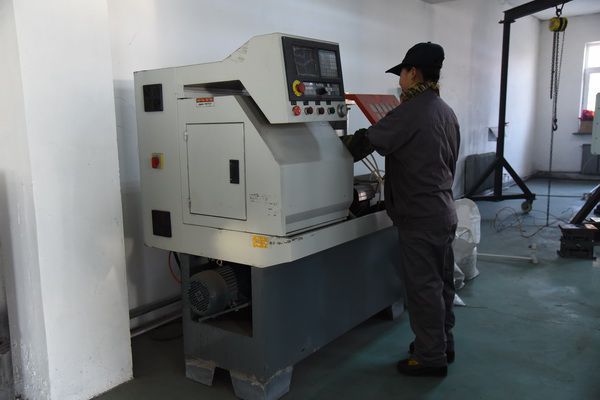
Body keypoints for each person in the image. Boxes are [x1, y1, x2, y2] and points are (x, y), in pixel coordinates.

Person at [346, 42, 460, 377]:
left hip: (420, 217)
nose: (399, 82)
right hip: (443, 210)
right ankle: (442, 343)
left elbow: (367, 142)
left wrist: (332, 145)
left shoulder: (411, 111)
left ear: (413, 72)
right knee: (442, 283)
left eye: (402, 74)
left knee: (424, 288)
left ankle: (430, 358)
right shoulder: (445, 111)